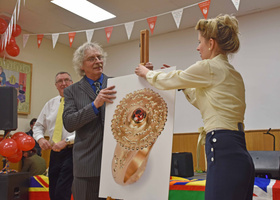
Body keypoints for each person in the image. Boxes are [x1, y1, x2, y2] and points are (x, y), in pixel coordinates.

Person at [135, 14, 255, 200]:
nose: (198, 47)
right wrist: (182, 85)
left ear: (211, 43)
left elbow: (172, 78)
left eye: (200, 42)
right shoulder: (233, 74)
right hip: (239, 150)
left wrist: (147, 73)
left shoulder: (208, 67)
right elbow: (202, 101)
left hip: (222, 148)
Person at [63, 42, 117, 200]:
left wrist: (149, 76)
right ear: (81, 65)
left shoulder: (117, 83)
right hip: (86, 165)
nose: (98, 61)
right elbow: (69, 123)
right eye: (92, 58)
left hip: (115, 163)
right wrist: (94, 105)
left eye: (99, 57)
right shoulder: (71, 91)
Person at [33, 72, 76, 200]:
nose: (63, 84)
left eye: (67, 80)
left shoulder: (78, 103)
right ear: (56, 85)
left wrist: (66, 141)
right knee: (53, 189)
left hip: (72, 151)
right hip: (55, 153)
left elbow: (85, 130)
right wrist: (40, 139)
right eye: (60, 81)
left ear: (72, 83)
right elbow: (38, 126)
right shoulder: (50, 104)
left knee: (62, 191)